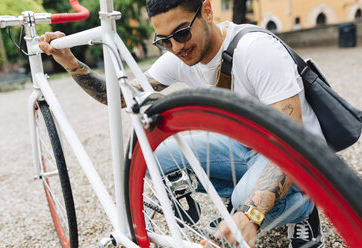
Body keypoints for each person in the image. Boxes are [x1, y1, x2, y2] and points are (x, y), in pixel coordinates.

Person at [39, 0, 325, 247]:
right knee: (152, 155)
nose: (175, 47)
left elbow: (290, 144)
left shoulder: (257, 51)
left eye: (181, 33)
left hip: (297, 156)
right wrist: (69, 62)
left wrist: (249, 213)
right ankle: (243, 202)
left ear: (207, 12)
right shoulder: (179, 57)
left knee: (245, 202)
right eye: (164, 40)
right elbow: (118, 97)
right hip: (245, 145)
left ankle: (304, 207)